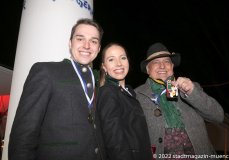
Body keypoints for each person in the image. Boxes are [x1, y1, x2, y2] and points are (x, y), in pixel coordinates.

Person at [9, 18, 105, 160]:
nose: (87, 45)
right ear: (70, 43)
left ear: (98, 48)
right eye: (80, 39)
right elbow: (24, 134)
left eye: (94, 41)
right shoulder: (45, 71)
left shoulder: (98, 81)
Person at [135, 42, 224, 159]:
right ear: (148, 69)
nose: (162, 66)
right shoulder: (137, 95)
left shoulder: (190, 88)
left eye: (166, 61)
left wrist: (192, 92)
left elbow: (218, 116)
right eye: (156, 62)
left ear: (172, 66)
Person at [96, 43, 152, 160]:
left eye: (123, 58)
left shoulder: (129, 92)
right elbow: (115, 142)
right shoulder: (107, 92)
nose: (119, 63)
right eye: (111, 59)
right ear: (104, 67)